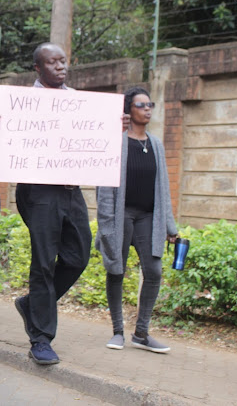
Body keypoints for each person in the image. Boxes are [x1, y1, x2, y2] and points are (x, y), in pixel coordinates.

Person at [0, 42, 128, 365]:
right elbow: (12, 152)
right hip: (39, 193)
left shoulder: (78, 103)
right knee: (44, 262)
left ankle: (30, 305)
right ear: (38, 68)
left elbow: (93, 146)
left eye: (63, 61)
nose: (61, 67)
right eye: (53, 63)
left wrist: (111, 128)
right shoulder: (23, 105)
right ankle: (41, 339)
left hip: (70, 190)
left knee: (78, 257)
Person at [95, 86, 178, 353]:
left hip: (148, 216)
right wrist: (106, 224)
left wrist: (169, 226)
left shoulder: (155, 144)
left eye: (150, 104)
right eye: (141, 105)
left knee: (154, 272)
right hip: (121, 215)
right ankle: (118, 331)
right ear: (128, 110)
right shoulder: (116, 142)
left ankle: (141, 333)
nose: (147, 109)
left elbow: (163, 187)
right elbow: (104, 188)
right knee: (116, 270)